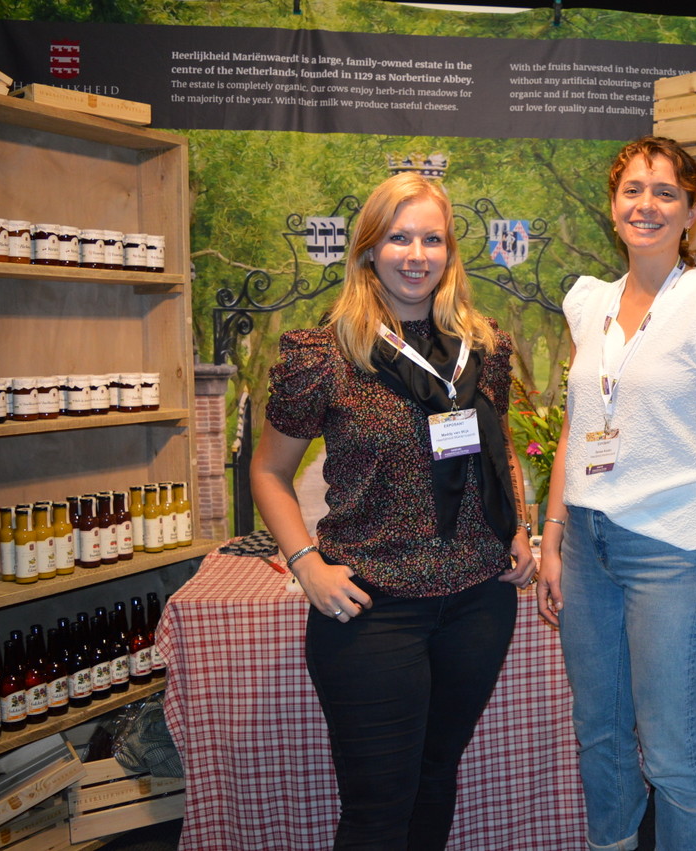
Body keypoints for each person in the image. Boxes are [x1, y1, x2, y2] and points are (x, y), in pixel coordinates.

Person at [251, 170, 537, 850]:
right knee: (379, 808)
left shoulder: (482, 346)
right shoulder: (326, 354)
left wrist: (519, 525)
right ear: (369, 250)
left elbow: (498, 445)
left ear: (450, 251)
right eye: (399, 238)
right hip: (371, 606)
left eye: (432, 239)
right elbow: (268, 471)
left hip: (478, 600)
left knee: (437, 779)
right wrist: (306, 564)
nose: (416, 255)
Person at [536, 135, 696, 851]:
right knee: (600, 733)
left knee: (669, 754)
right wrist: (552, 537)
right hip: (587, 546)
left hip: (672, 552)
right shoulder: (590, 304)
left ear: (691, 211)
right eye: (633, 190)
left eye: (665, 192)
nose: (647, 205)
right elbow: (576, 429)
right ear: (613, 207)